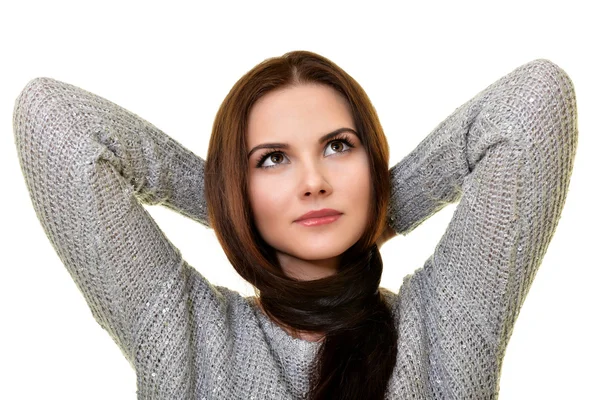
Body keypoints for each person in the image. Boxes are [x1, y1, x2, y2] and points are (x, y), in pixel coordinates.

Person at [12, 51, 578, 399]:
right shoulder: (187, 334)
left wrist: (377, 205)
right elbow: (54, 123)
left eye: (338, 147)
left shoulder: (445, 324)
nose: (313, 181)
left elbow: (533, 105)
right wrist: (233, 205)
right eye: (272, 159)